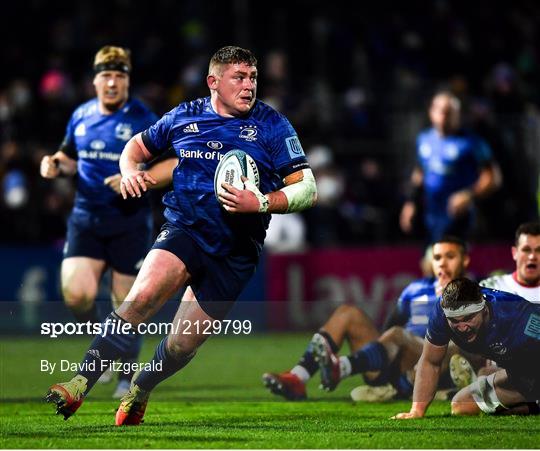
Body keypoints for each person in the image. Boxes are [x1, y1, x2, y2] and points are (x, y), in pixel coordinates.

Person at [45, 45, 317, 426]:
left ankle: (141, 387)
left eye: (253, 77)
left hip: (236, 251)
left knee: (180, 344)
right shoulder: (183, 117)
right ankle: (78, 384)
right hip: (184, 229)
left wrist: (261, 203)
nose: (248, 85)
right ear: (213, 82)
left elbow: (307, 188)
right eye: (239, 77)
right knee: (139, 299)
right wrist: (130, 171)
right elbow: (135, 149)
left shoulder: (273, 125)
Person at [40, 46, 159, 398]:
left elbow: (166, 165)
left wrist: (136, 176)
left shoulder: (144, 118)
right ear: (94, 81)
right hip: (87, 219)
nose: (112, 82)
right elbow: (70, 157)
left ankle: (126, 378)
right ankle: (103, 346)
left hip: (129, 222)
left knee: (127, 303)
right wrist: (54, 164)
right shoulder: (81, 116)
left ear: (127, 81)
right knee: (76, 296)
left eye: (120, 76)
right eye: (106, 76)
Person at [263, 236, 473, 401]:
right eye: (437, 258)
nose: (442, 264)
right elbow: (390, 326)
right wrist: (385, 349)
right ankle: (297, 378)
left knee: (437, 344)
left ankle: (347, 369)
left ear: (464, 260)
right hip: (393, 357)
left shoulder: (476, 292)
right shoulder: (414, 289)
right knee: (348, 313)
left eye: (450, 257)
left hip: (435, 366)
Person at [393, 277, 540, 418]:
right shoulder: (442, 312)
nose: (462, 328)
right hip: (518, 375)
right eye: (454, 321)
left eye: (468, 318)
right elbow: (431, 362)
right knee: (461, 405)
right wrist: (416, 411)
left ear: (484, 310)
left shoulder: (520, 317)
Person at [400, 91, 501, 244]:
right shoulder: (424, 140)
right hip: (431, 214)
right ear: (431, 112)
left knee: (452, 261)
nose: (444, 116)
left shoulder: (472, 142)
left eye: (449, 112)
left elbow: (493, 177)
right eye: (441, 111)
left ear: (457, 114)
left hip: (460, 217)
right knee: (429, 261)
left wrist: (468, 195)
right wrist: (411, 203)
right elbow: (420, 172)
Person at [449, 221, 539, 386]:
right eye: (526, 250)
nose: (532, 256)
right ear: (514, 253)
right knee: (451, 346)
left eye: (539, 250)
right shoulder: (491, 287)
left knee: (487, 374)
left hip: (528, 364)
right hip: (489, 358)